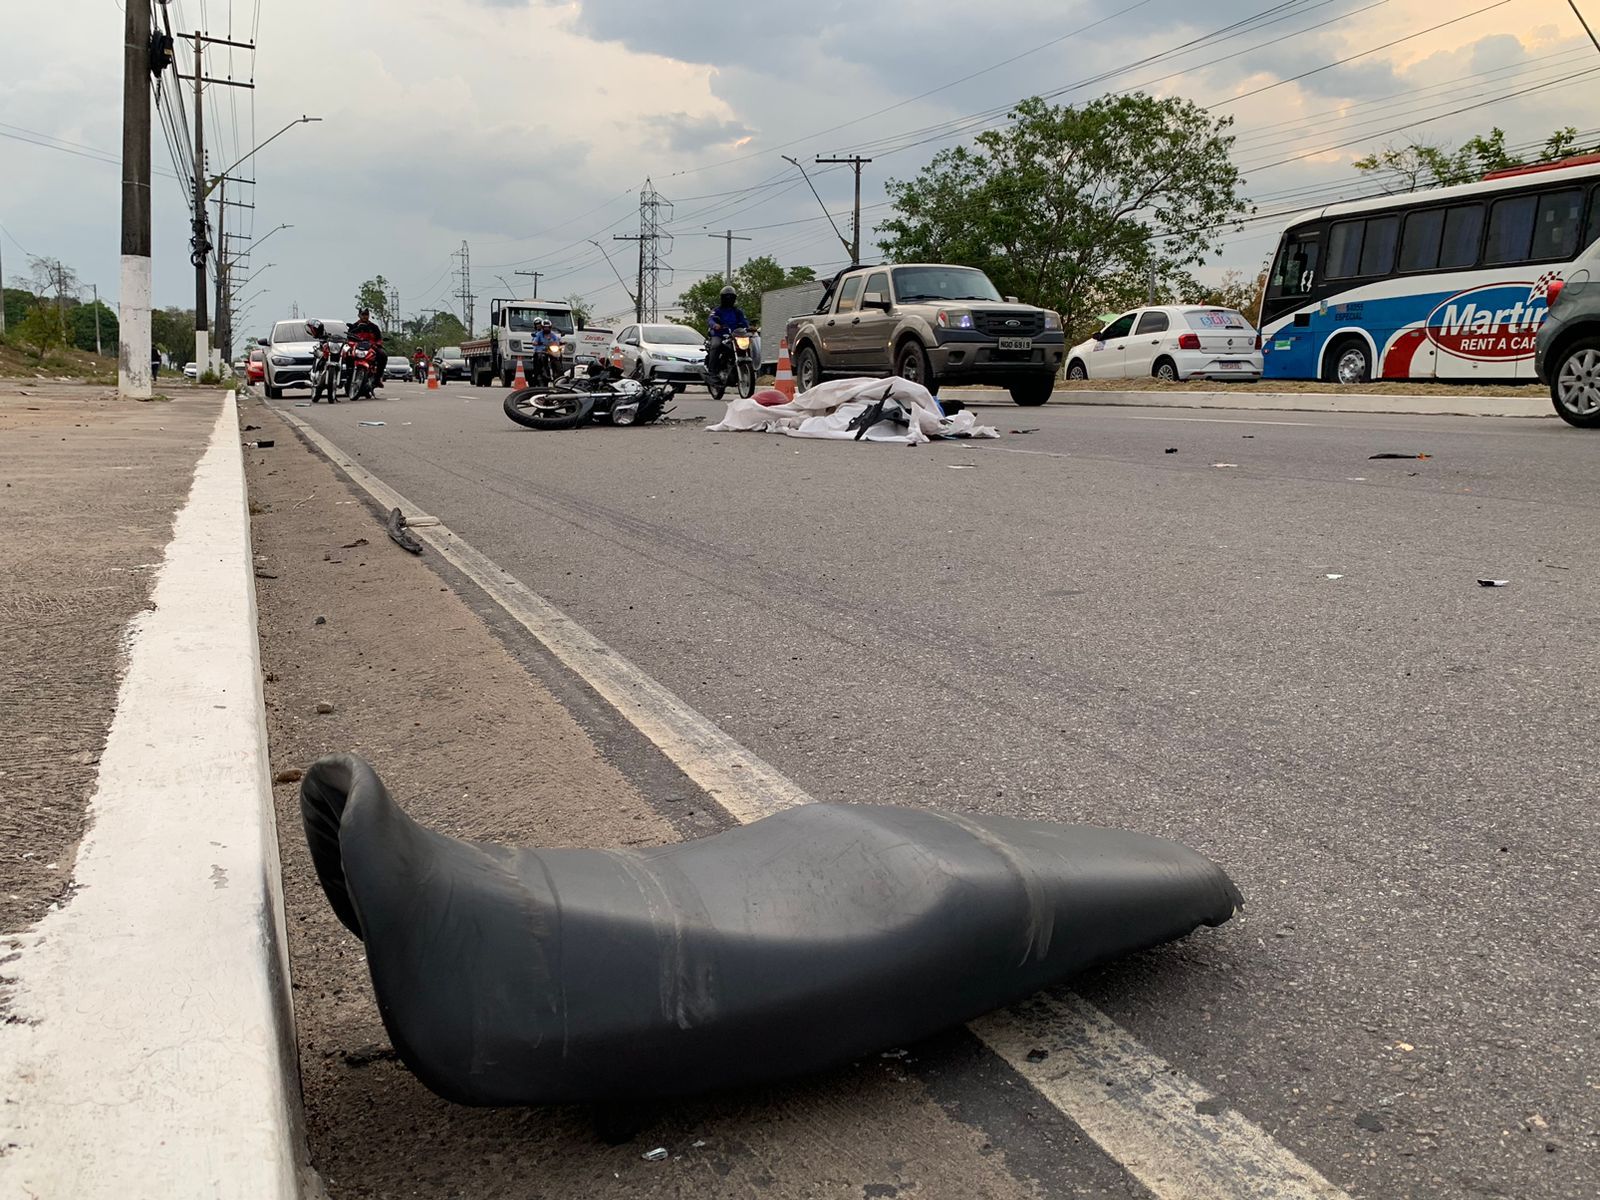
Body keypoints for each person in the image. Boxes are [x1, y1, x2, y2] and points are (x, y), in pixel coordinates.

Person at [705, 285, 751, 380]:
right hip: (719, 334)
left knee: (746, 345)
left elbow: (744, 321)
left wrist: (749, 327)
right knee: (716, 345)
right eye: (727, 297)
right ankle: (712, 372)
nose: (729, 299)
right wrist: (715, 325)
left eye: (731, 297)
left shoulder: (738, 311)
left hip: (734, 335)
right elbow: (711, 319)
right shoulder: (717, 310)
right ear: (722, 298)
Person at [348, 307, 388, 385]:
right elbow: (349, 338)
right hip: (357, 347)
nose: (364, 316)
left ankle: (377, 378)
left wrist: (378, 344)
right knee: (347, 355)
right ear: (359, 315)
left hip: (371, 347)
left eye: (366, 314)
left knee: (383, 355)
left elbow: (379, 339)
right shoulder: (354, 326)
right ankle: (348, 375)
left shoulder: (374, 327)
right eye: (363, 314)